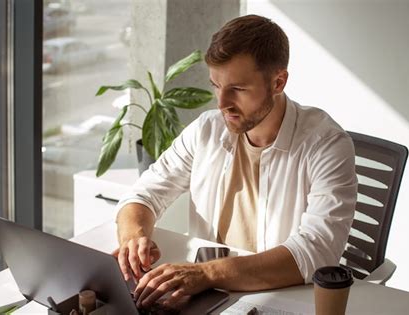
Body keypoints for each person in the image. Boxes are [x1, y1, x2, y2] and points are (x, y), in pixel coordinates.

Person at [113, 14, 357, 309]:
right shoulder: (207, 130)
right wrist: (133, 237)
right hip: (210, 298)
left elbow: (316, 251)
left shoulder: (326, 145)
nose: (221, 103)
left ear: (278, 82)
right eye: (216, 85)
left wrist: (206, 273)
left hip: (278, 299)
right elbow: (144, 194)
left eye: (238, 89)